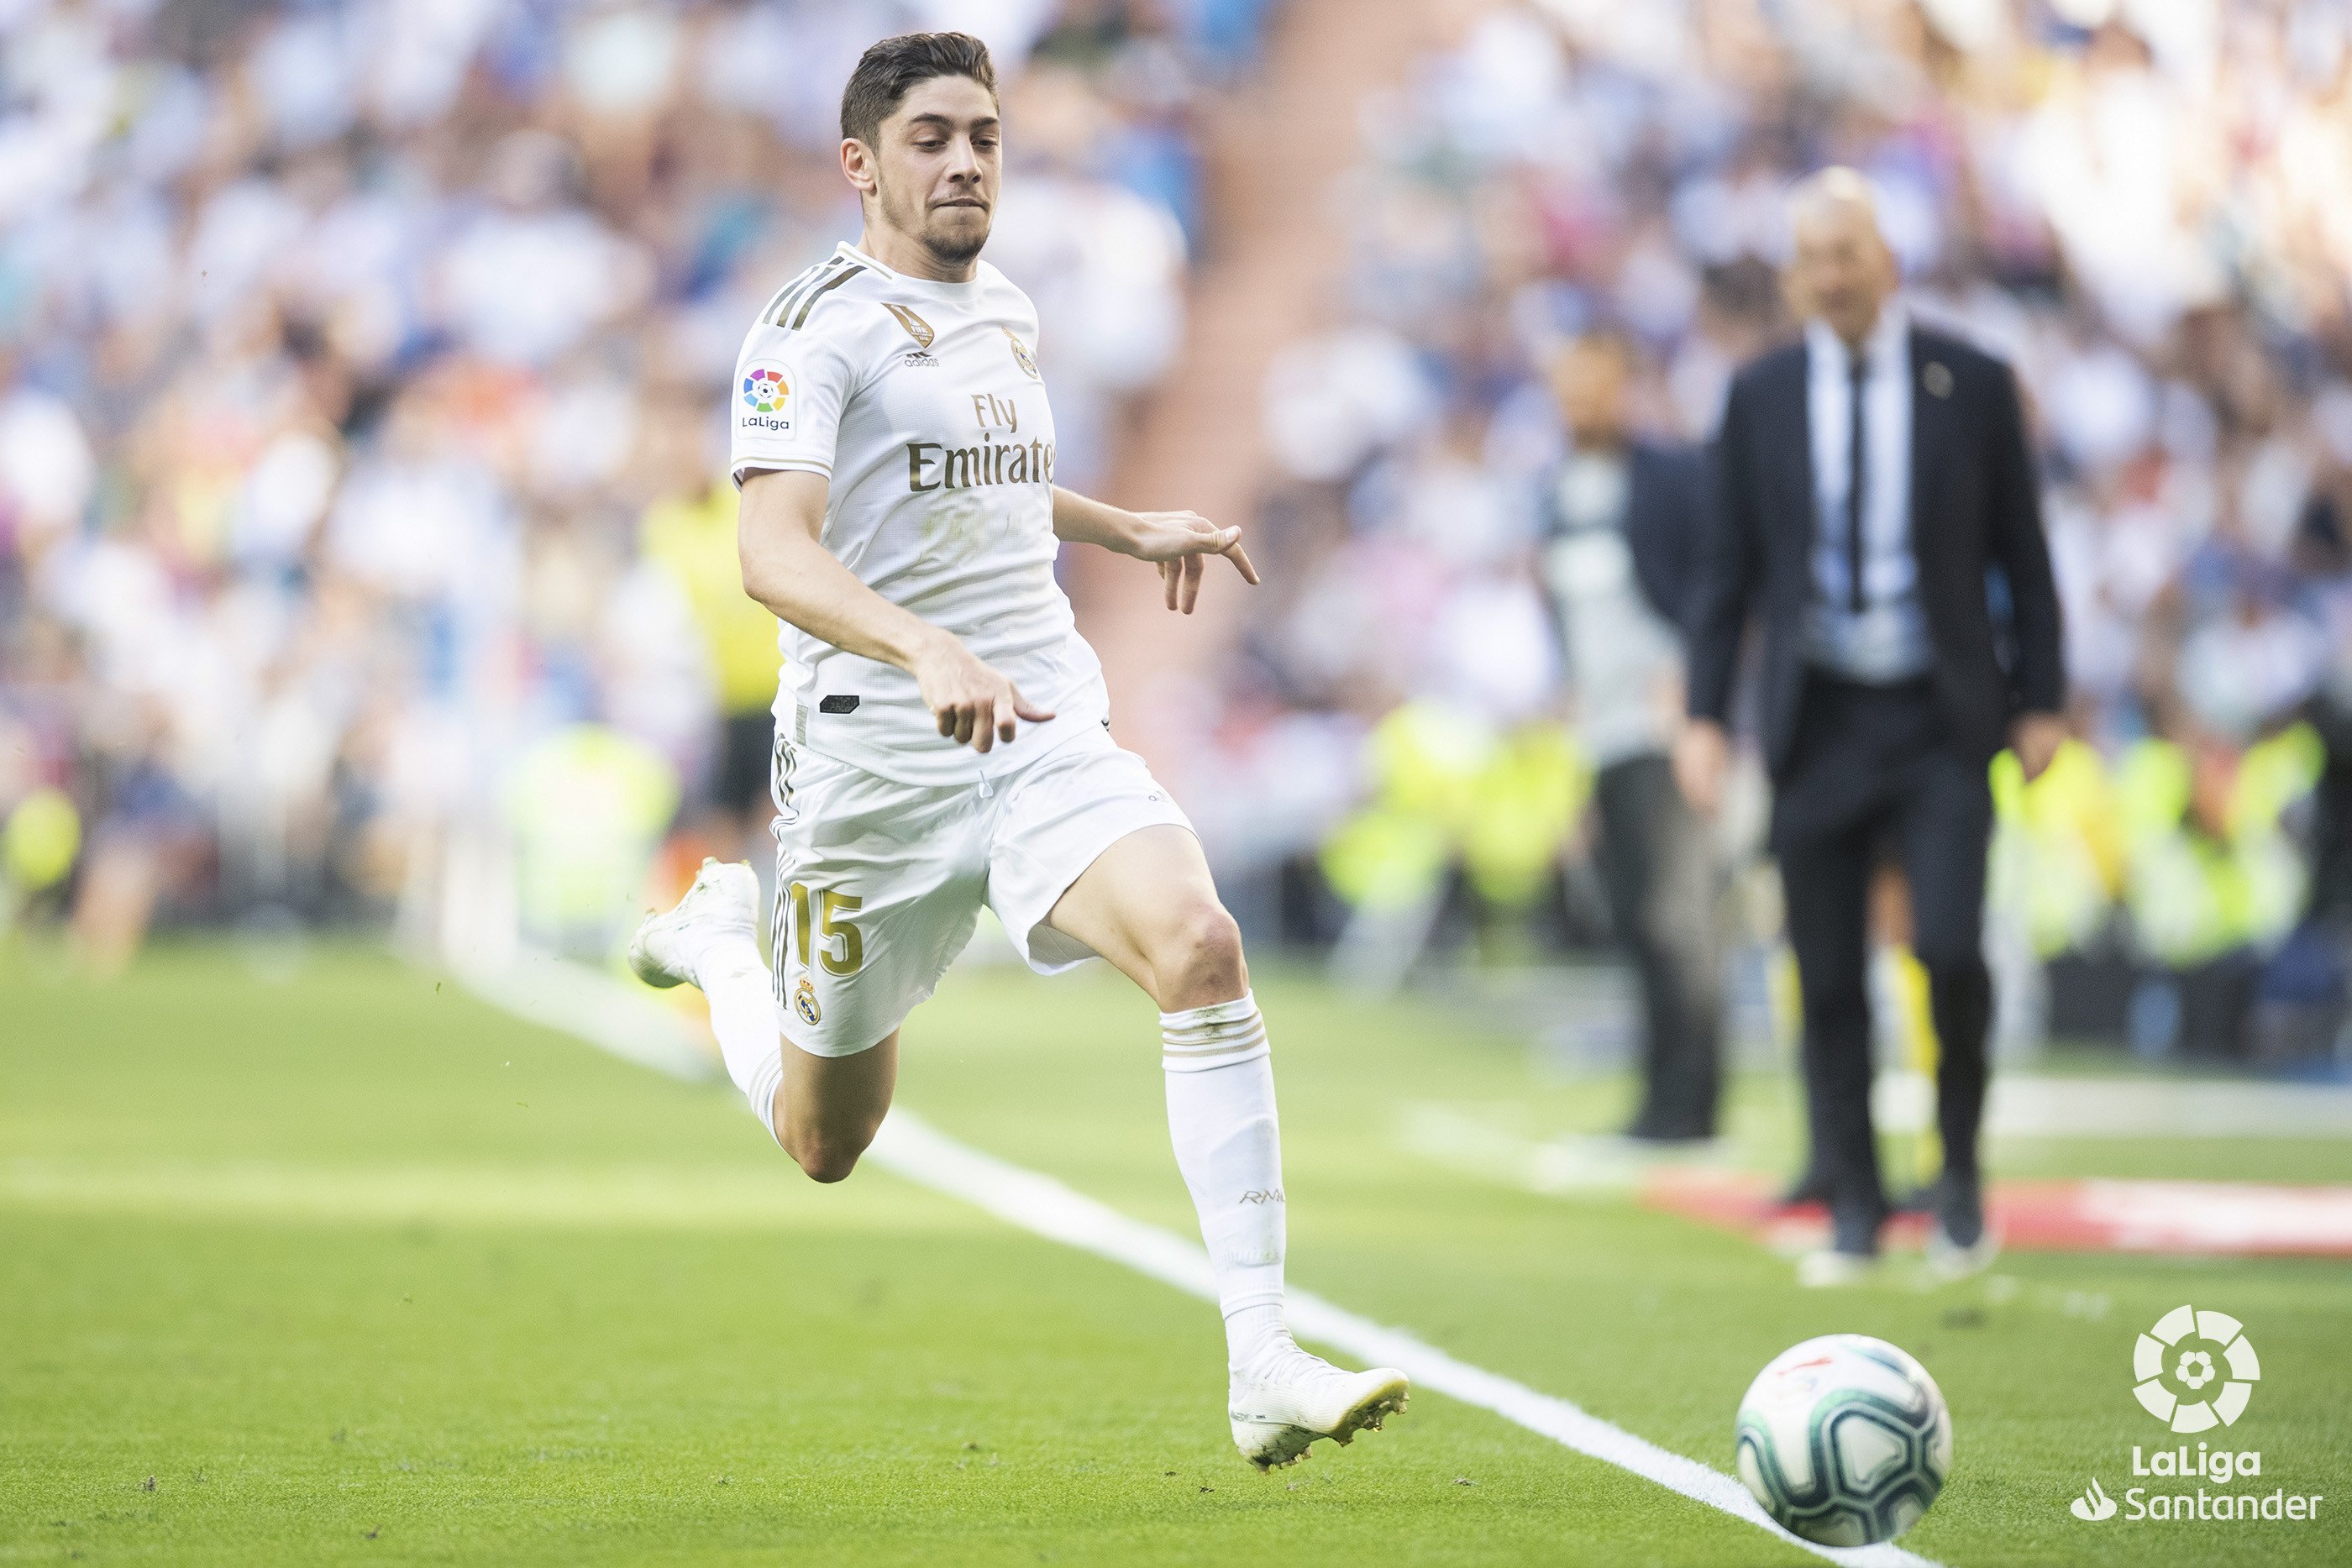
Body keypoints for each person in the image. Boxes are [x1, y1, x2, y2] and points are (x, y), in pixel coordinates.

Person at [625, 33, 1407, 1470]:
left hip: (1039, 722)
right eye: (931, 137)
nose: (966, 161)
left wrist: (1126, 526)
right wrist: (920, 647)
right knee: (824, 1139)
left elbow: (989, 485)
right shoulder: (807, 330)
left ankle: (1262, 1358)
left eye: (983, 135)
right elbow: (771, 551)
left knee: (1200, 945)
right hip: (871, 767)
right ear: (861, 164)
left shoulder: (1009, 310)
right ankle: (729, 948)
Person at [1675, 169, 2066, 1287]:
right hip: (1818, 715)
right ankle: (1853, 1198)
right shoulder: (1759, 394)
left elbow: (2022, 551)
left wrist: (2042, 696)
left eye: (1848, 252)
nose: (1832, 276)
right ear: (1793, 277)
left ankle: (1959, 1175)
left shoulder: (1970, 381)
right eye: (1812, 259)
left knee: (1947, 947)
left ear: (1888, 260)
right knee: (1828, 969)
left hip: (1941, 713)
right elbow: (1727, 571)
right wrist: (1705, 714)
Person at [1536, 330, 1723, 1142]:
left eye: (1597, 386)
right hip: (1602, 731)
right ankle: (1658, 1098)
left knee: (1675, 917)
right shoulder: (1558, 494)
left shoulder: (1668, 478)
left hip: (1661, 725)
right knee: (1635, 919)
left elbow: (1712, 590)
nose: (1583, 404)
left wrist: (1697, 698)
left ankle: (1692, 1104)